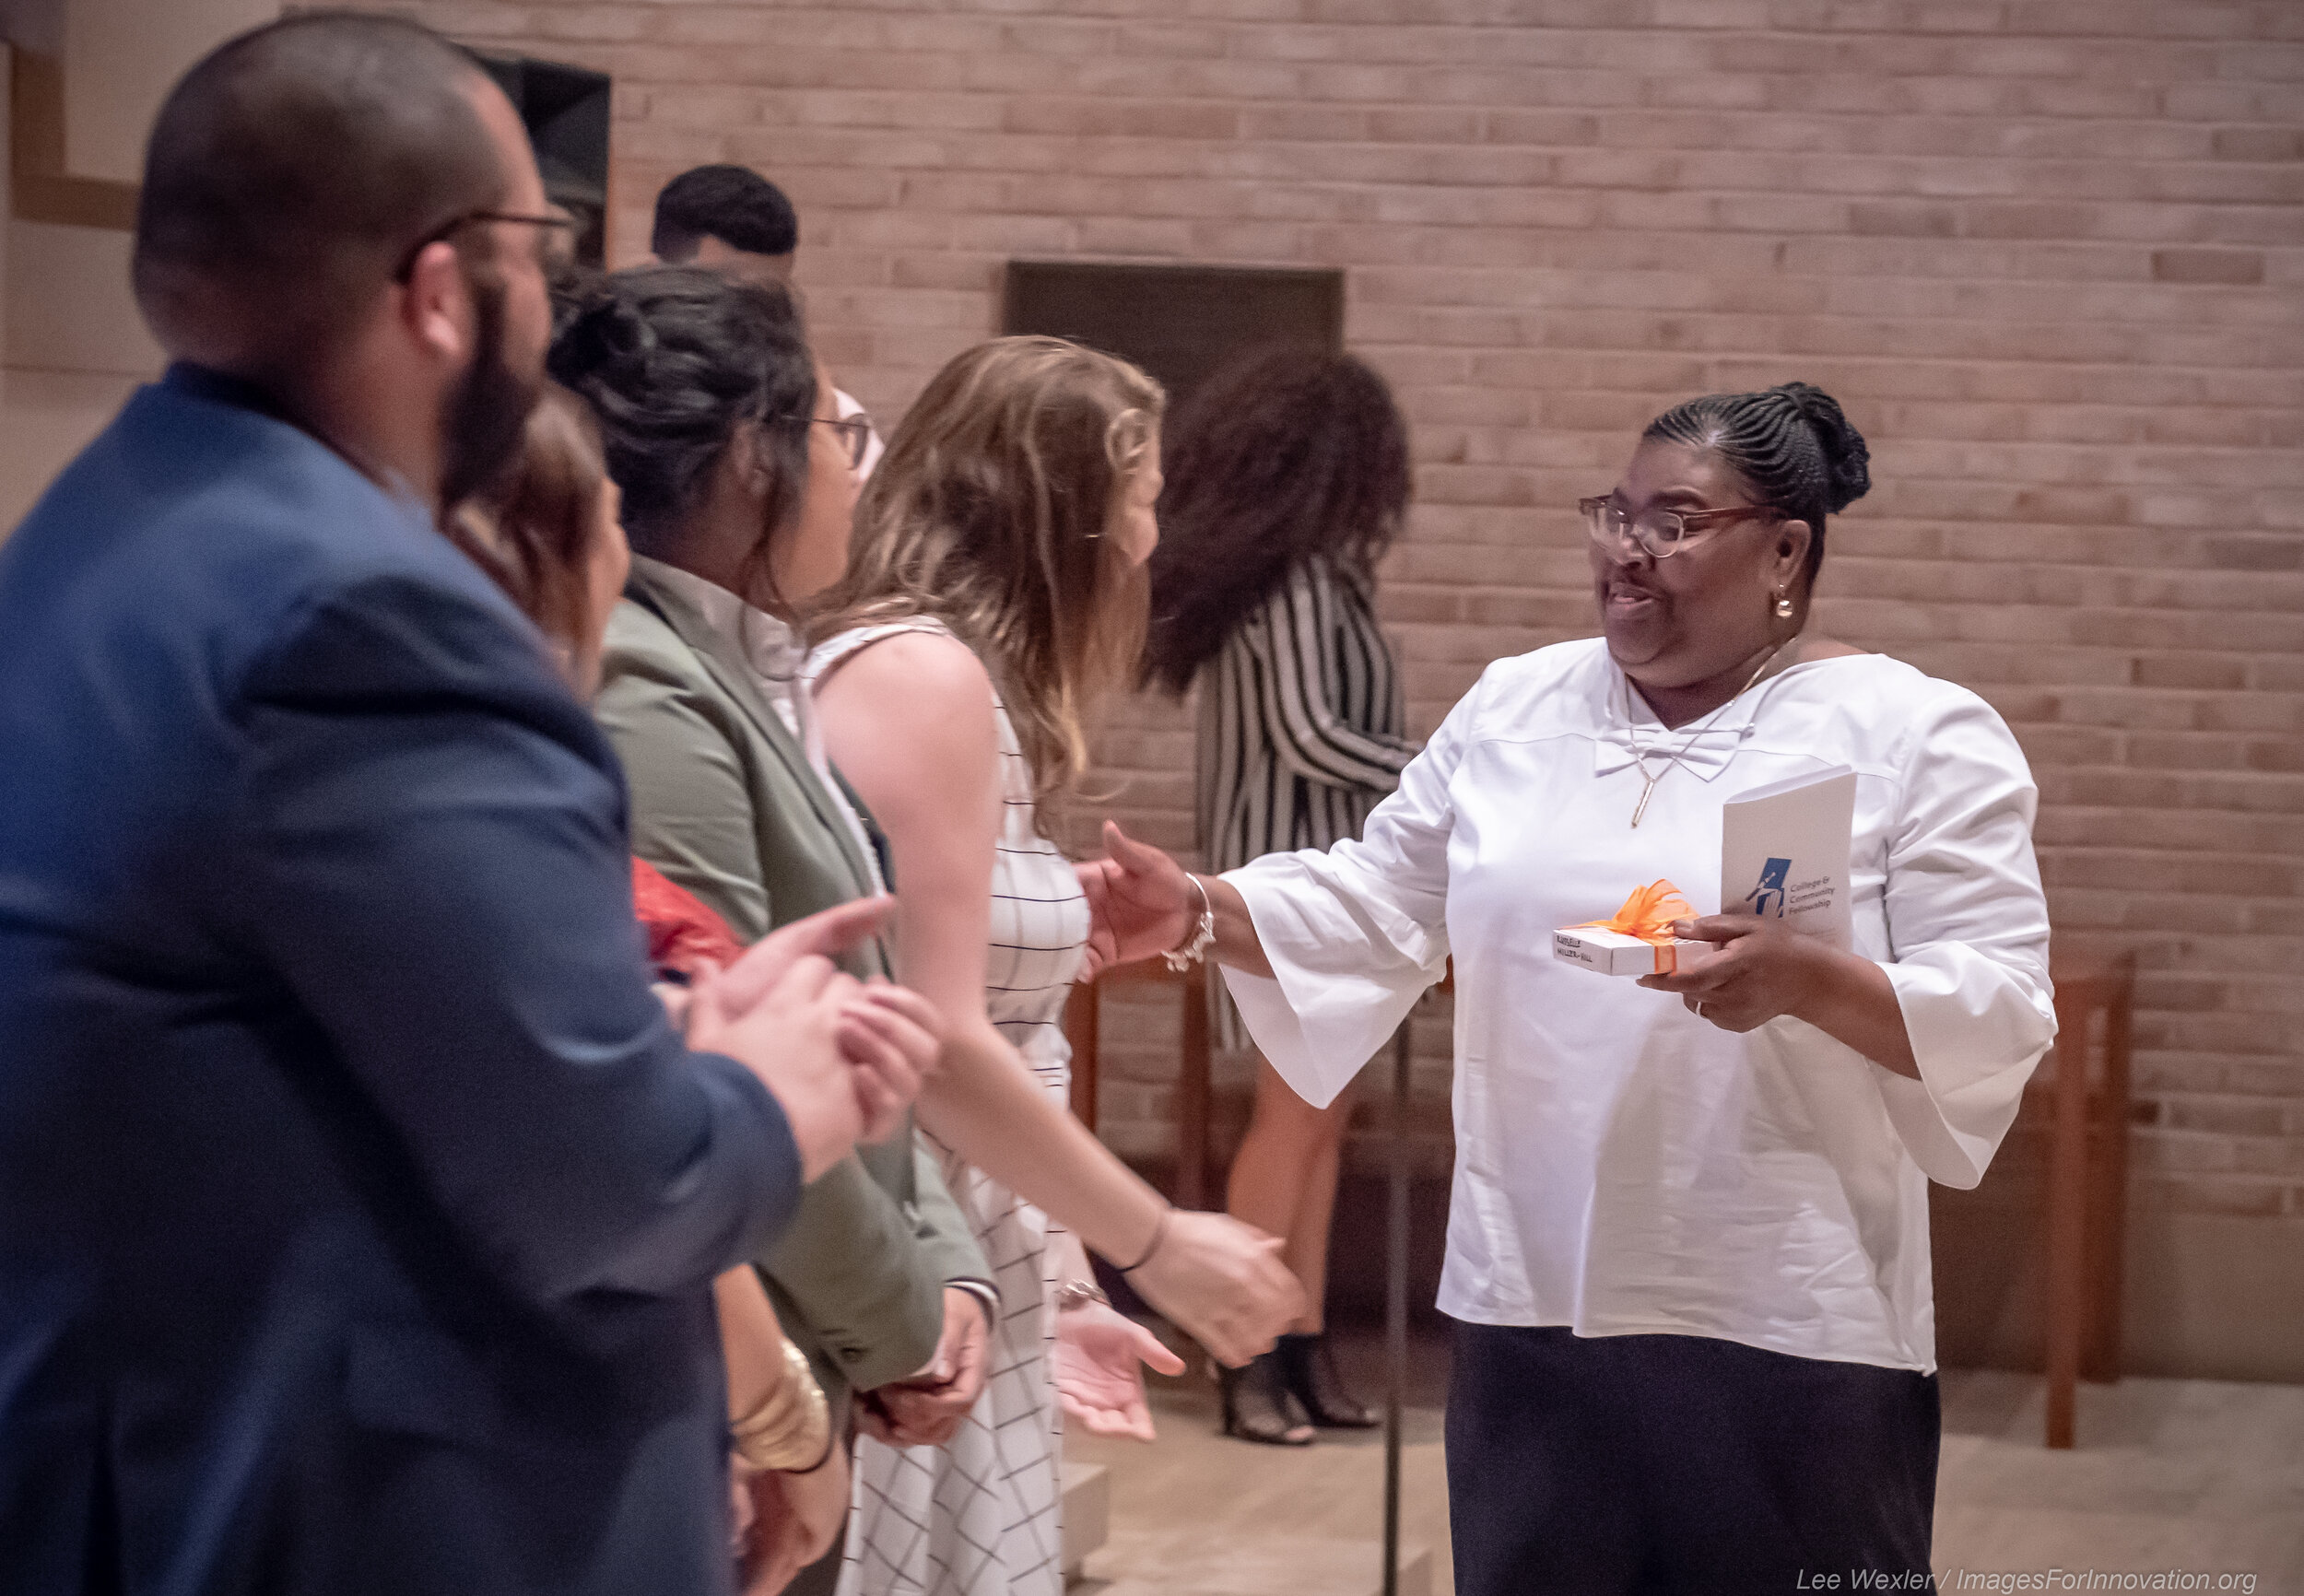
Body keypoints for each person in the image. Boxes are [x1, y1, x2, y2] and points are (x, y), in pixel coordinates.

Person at [0, 18, 933, 1594]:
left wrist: (655, 1044)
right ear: (438, 289)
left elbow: (365, 1038)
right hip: (370, 1511)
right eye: (534, 245)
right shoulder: (366, 615)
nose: (551, 289)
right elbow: (604, 1188)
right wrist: (783, 1092)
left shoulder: (104, 525)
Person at [1079, 382, 2058, 1595]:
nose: (1627, 550)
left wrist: (1813, 981)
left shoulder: (1913, 731)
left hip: (1791, 1319)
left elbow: (2001, 1003)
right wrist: (1200, 912)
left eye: (1676, 522)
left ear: (1788, 548)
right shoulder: (1516, 706)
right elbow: (1380, 899)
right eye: (1616, 513)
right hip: (1532, 1305)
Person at [804, 336, 1305, 1595]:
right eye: (1137, 502)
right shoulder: (920, 673)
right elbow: (935, 1039)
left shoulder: (972, 686)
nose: (1149, 539)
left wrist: (1065, 1273)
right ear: (1057, 515)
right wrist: (1155, 1238)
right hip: (902, 1270)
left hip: (986, 1259)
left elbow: (988, 1016)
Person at [547, 267, 1002, 1596]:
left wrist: (952, 1262)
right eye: (835, 436)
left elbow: (856, 988)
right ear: (752, 454)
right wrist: (906, 1321)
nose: (856, 475)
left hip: (817, 1315)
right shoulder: (638, 670)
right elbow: (730, 1051)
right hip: (729, 1359)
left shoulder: (726, 647)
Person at [444, 385, 870, 1595]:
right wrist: (788, 1423)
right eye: (606, 524)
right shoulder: (515, 822)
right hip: (548, 1434)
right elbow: (618, 1168)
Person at [1142, 347, 1418, 1446]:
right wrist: (1446, 773)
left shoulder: (1304, 572)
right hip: (1286, 889)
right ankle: (1247, 1353)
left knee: (1319, 1125)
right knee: (1292, 1123)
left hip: (1324, 892)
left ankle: (1296, 1341)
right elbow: (1314, 733)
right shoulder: (1297, 579)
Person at [652, 163, 884, 476]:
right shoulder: (606, 406)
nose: (752, 318)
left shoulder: (830, 423)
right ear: (655, 276)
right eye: (723, 293)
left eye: (770, 299)